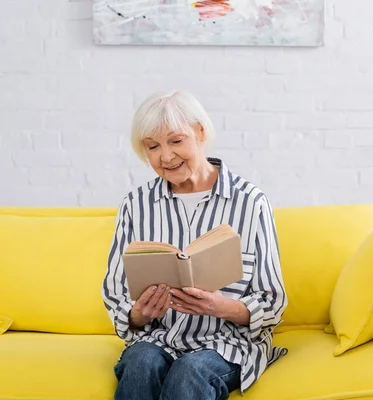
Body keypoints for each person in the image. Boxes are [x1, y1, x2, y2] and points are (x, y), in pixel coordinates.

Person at [101, 89, 288, 400]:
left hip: (227, 343)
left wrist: (222, 307)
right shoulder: (136, 205)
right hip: (159, 339)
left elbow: (272, 301)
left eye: (176, 141)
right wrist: (139, 315)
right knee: (141, 361)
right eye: (153, 147)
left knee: (190, 371)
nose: (166, 156)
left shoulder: (250, 201)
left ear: (200, 132)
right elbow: (114, 295)